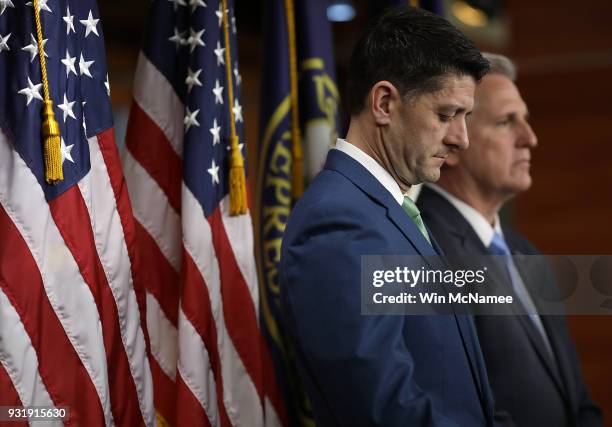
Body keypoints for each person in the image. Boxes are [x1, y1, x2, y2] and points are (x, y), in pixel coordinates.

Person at [278, 6, 494, 426]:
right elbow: (381, 408)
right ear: (383, 102)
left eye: (465, 118)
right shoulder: (337, 221)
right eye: (446, 115)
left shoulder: (389, 208)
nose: (462, 139)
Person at [417, 53, 603, 426]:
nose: (530, 139)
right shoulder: (425, 253)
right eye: (506, 122)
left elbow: (576, 399)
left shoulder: (523, 250)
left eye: (526, 120)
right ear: (452, 143)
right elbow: (449, 407)